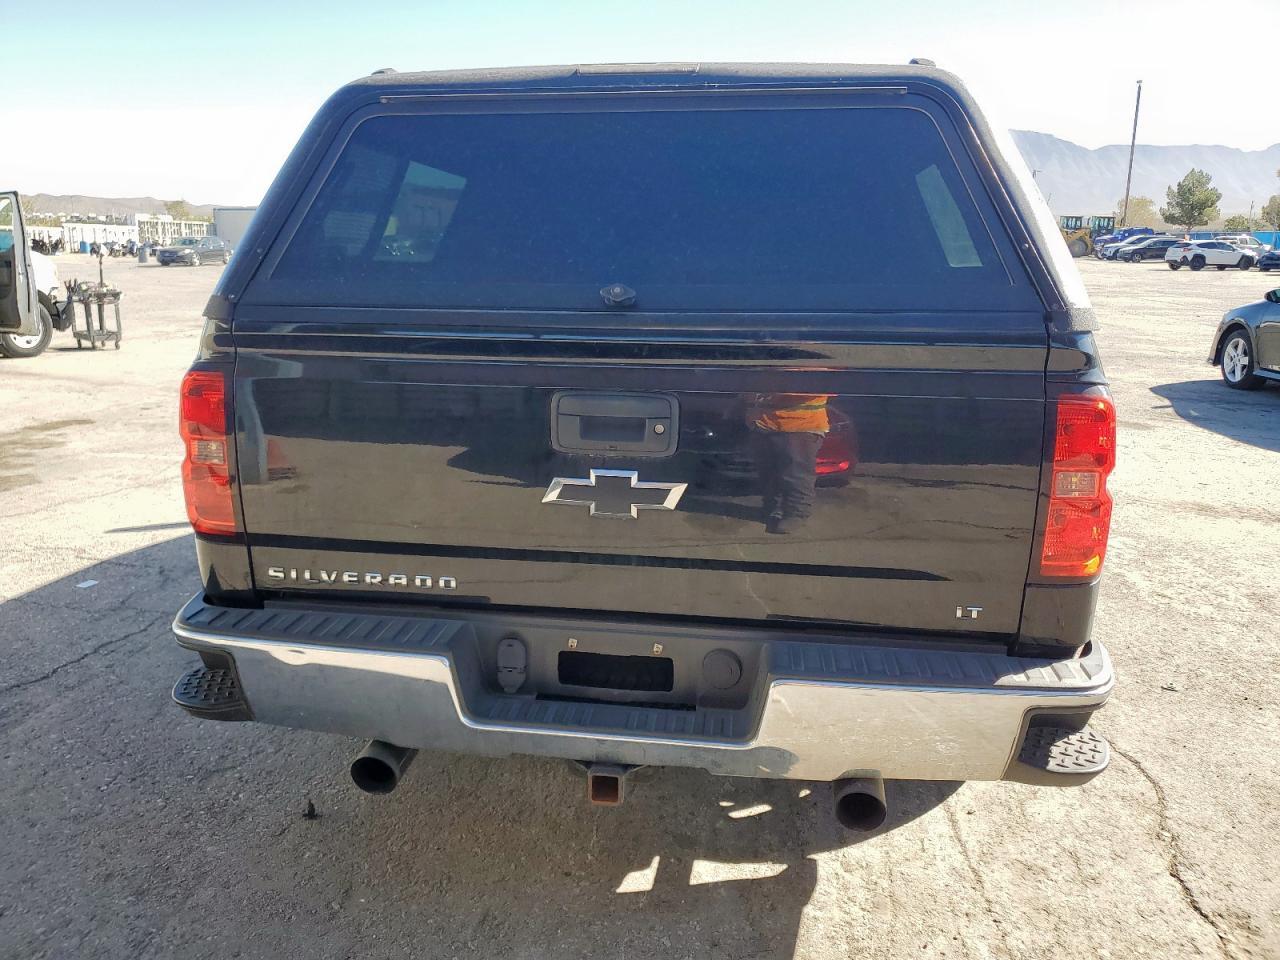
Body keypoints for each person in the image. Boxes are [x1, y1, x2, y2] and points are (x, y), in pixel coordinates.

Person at [746, 393, 833, 535]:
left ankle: (797, 514)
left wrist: (773, 390)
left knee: (797, 474)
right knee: (769, 472)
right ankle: (773, 508)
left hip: (799, 427)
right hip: (764, 425)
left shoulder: (811, 369)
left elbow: (822, 386)